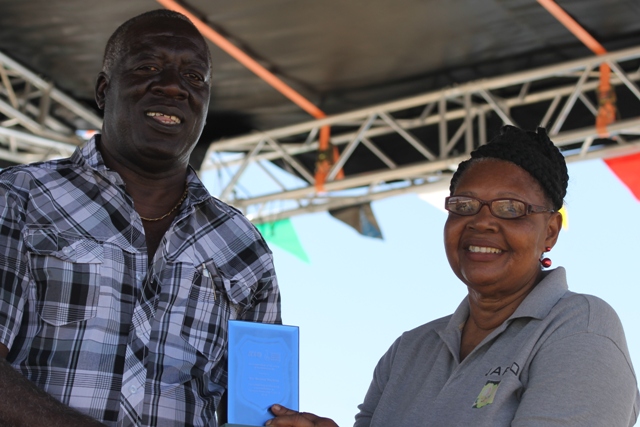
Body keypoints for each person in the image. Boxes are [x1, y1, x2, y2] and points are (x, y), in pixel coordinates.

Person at [0, 9, 281, 427]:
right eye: (148, 67)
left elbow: (260, 413)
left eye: (195, 78)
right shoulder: (19, 196)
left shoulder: (244, 246)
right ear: (103, 89)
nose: (173, 86)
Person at [267, 126, 640, 427]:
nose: (482, 221)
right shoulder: (408, 351)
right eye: (464, 205)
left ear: (550, 232)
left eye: (511, 208)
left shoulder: (580, 328)